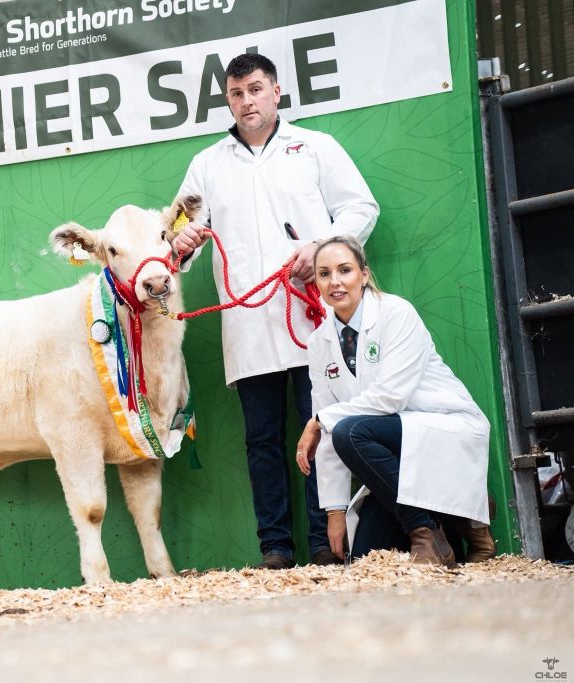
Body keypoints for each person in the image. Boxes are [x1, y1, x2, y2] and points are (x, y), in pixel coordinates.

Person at [172, 53, 379, 569]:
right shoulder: (207, 164)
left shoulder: (314, 148)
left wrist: (321, 246)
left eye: (256, 89)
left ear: (276, 92)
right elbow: (176, 234)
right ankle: (275, 548)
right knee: (262, 438)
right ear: (228, 99)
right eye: (237, 93)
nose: (248, 101)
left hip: (312, 316)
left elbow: (362, 207)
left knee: (321, 425)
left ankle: (323, 544)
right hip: (248, 322)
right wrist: (184, 239)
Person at [295, 236, 496, 565]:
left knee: (350, 431)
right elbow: (328, 427)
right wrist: (334, 510)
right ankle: (453, 518)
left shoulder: (396, 313)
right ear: (315, 282)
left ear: (364, 273)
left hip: (440, 427)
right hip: (391, 452)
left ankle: (429, 531)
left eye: (344, 270)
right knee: (365, 555)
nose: (335, 282)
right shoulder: (319, 343)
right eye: (324, 273)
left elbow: (390, 398)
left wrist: (320, 420)